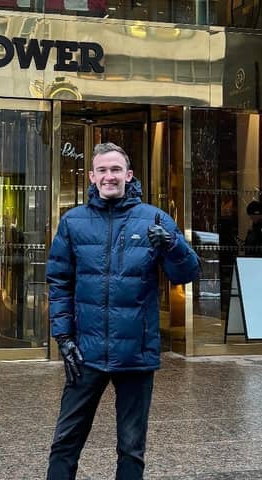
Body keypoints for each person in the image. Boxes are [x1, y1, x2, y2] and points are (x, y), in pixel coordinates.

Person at [46, 142, 200, 480]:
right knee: (65, 441)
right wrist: (63, 337)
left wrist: (173, 246)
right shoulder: (72, 222)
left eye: (116, 170)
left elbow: (187, 273)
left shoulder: (155, 219)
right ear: (92, 176)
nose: (109, 176)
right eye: (102, 170)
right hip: (85, 353)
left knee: (131, 447)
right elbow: (59, 283)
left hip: (136, 354)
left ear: (129, 176)